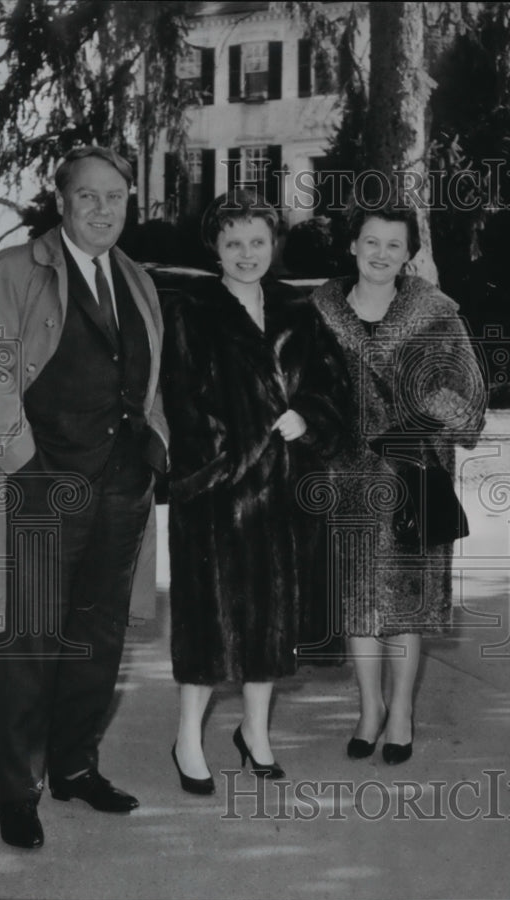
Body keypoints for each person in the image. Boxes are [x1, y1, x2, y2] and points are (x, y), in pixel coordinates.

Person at [0, 146, 168, 848]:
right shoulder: (13, 271)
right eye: (89, 197)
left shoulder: (137, 279)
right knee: (33, 646)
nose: (104, 210)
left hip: (123, 490)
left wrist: (156, 446)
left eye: (116, 197)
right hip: (43, 489)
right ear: (62, 200)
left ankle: (75, 767)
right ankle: (19, 793)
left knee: (98, 639)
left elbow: (150, 378)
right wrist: (26, 466)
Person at [161, 189, 349, 793]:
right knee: (206, 619)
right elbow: (180, 401)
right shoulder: (193, 307)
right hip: (217, 490)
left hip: (283, 490)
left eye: (258, 242)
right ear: (215, 248)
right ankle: (188, 736)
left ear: (274, 246)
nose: (247, 253)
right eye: (233, 242)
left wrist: (307, 418)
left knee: (271, 616)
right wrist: (237, 447)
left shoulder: (299, 310)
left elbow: (330, 386)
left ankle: (256, 731)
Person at [311, 195, 485, 764]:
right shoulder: (319, 310)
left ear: (409, 253)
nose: (380, 254)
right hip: (344, 479)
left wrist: (420, 407)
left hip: (412, 477)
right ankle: (369, 708)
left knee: (406, 605)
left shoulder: (437, 313)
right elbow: (298, 388)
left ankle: (402, 712)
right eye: (371, 242)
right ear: (352, 245)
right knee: (357, 602)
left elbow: (470, 400)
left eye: (394, 245)